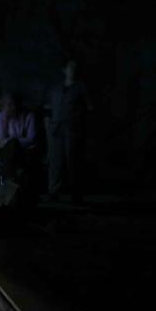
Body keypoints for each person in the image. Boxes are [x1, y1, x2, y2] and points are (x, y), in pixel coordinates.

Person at [45, 59, 93, 203]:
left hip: (72, 129)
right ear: (64, 69)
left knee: (73, 161)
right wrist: (49, 127)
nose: (73, 69)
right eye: (70, 66)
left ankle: (76, 194)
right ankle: (53, 191)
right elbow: (48, 109)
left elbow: (90, 108)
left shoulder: (81, 87)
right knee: (55, 162)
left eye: (75, 66)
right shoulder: (56, 88)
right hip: (56, 130)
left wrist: (79, 121)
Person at [0, 91, 37, 181]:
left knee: (16, 145)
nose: (12, 108)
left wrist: (14, 140)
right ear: (3, 106)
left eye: (14, 104)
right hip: (7, 151)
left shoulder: (28, 116)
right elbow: (1, 141)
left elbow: (31, 139)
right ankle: (11, 180)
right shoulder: (0, 118)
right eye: (8, 105)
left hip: (25, 150)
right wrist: (5, 120)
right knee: (10, 147)